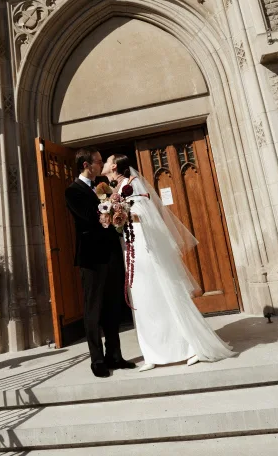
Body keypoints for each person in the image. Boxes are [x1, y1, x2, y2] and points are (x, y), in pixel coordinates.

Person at [101, 154, 235, 372]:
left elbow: (144, 212)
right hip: (129, 247)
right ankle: (153, 353)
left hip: (144, 245)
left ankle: (190, 347)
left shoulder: (130, 184)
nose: (105, 164)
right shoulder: (113, 188)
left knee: (161, 293)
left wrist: (121, 212)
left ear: (114, 166)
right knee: (142, 300)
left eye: (107, 161)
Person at [65, 147, 136, 378]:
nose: (100, 164)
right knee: (93, 309)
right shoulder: (73, 191)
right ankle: (97, 360)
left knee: (113, 306)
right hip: (92, 258)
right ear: (86, 165)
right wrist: (109, 204)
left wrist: (118, 207)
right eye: (97, 161)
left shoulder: (103, 187)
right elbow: (89, 216)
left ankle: (114, 354)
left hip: (111, 254)